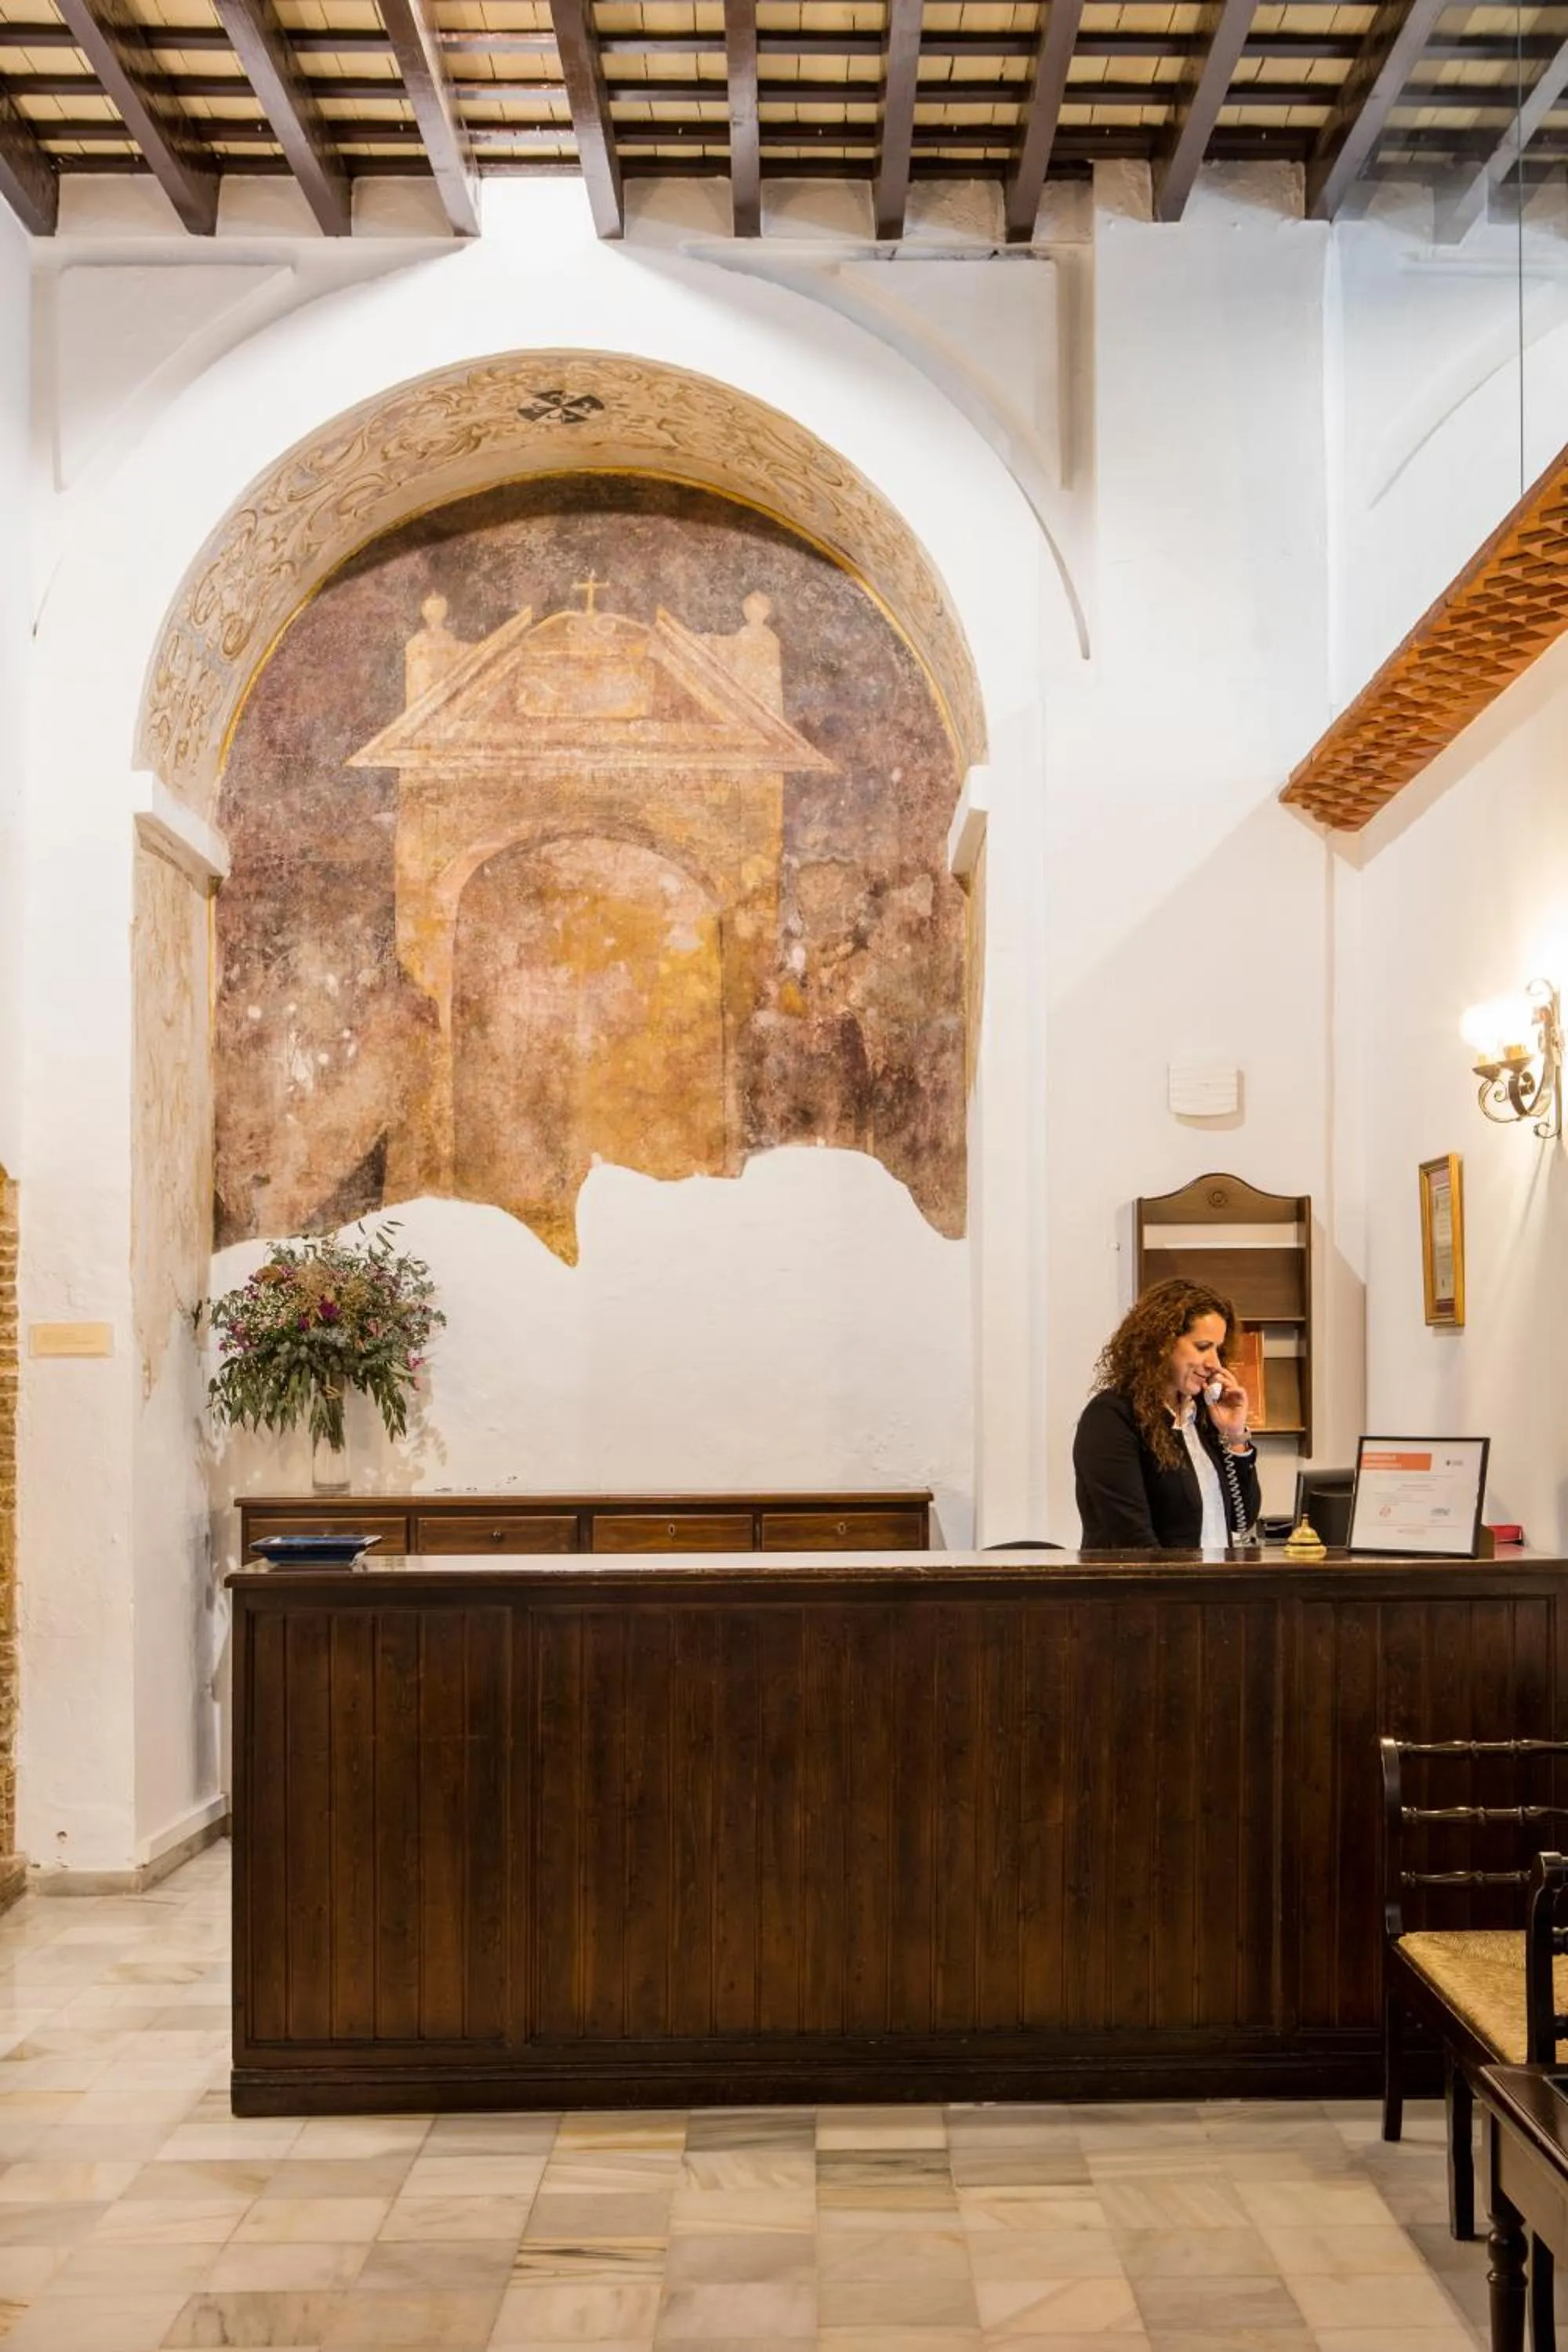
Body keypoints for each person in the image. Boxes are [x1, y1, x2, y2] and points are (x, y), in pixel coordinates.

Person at [1073, 1276, 1260, 1550]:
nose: (1214, 1363)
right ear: (1162, 1342)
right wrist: (1179, 1591)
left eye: (1218, 1350)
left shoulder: (1203, 1415)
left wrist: (1235, 1437)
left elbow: (1242, 1521)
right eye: (1202, 1347)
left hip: (1211, 1588)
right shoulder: (1110, 1417)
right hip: (1148, 1590)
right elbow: (1133, 1540)